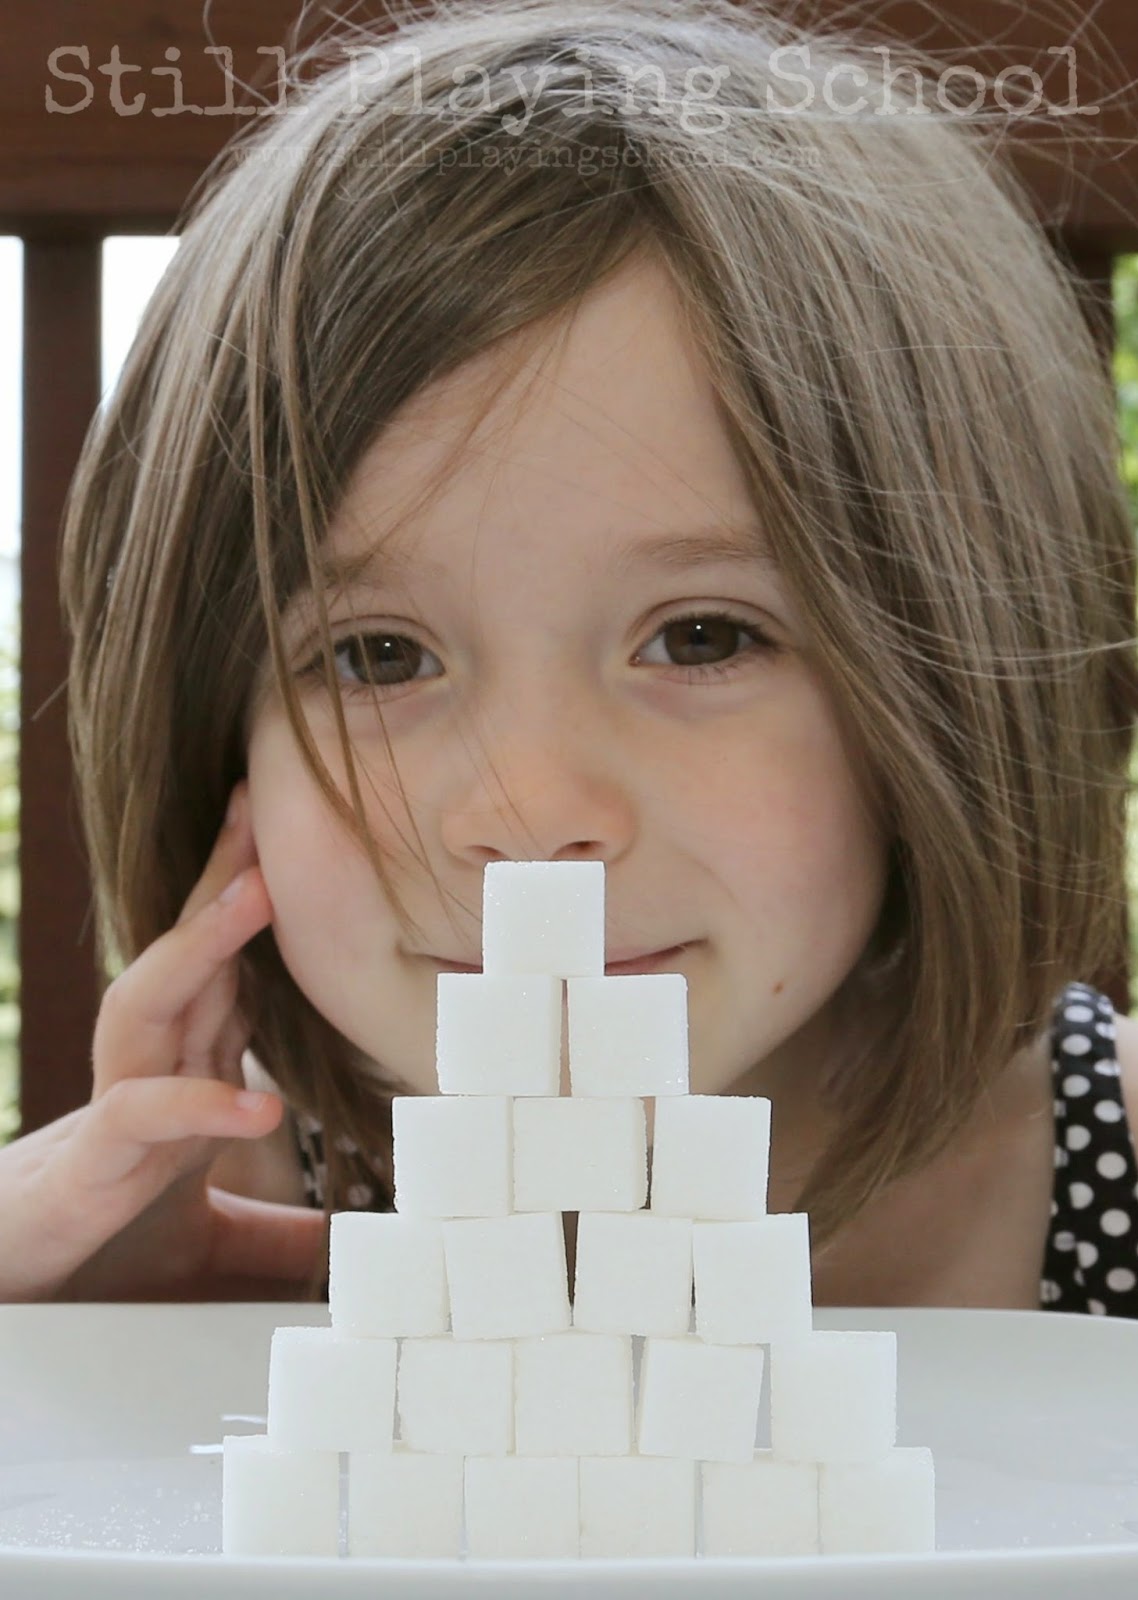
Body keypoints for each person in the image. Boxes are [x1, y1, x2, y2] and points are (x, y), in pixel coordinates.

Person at [1, 0, 1136, 1314]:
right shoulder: (187, 1204)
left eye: (701, 636)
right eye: (377, 656)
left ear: (948, 679)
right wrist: (79, 1359)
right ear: (212, 741)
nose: (531, 816)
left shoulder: (1105, 1160)